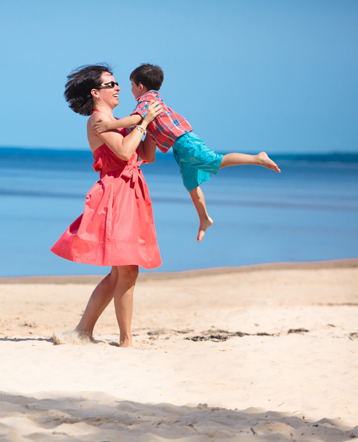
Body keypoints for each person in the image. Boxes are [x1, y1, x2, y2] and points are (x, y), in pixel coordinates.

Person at [93, 63, 281, 242]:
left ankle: (258, 158)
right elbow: (144, 130)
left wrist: (110, 124)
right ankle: (204, 218)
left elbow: (135, 119)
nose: (129, 90)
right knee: (191, 183)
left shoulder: (147, 99)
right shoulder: (152, 98)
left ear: (140, 87)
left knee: (214, 160)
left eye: (131, 85)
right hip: (179, 148)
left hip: (185, 142)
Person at [51, 64, 162, 348]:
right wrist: (142, 122)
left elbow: (146, 155)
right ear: (95, 92)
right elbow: (125, 153)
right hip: (115, 195)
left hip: (131, 192)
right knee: (126, 270)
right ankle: (125, 340)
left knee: (120, 271)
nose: (118, 88)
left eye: (116, 84)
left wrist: (155, 125)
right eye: (111, 84)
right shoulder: (98, 120)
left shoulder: (119, 121)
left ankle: (83, 331)